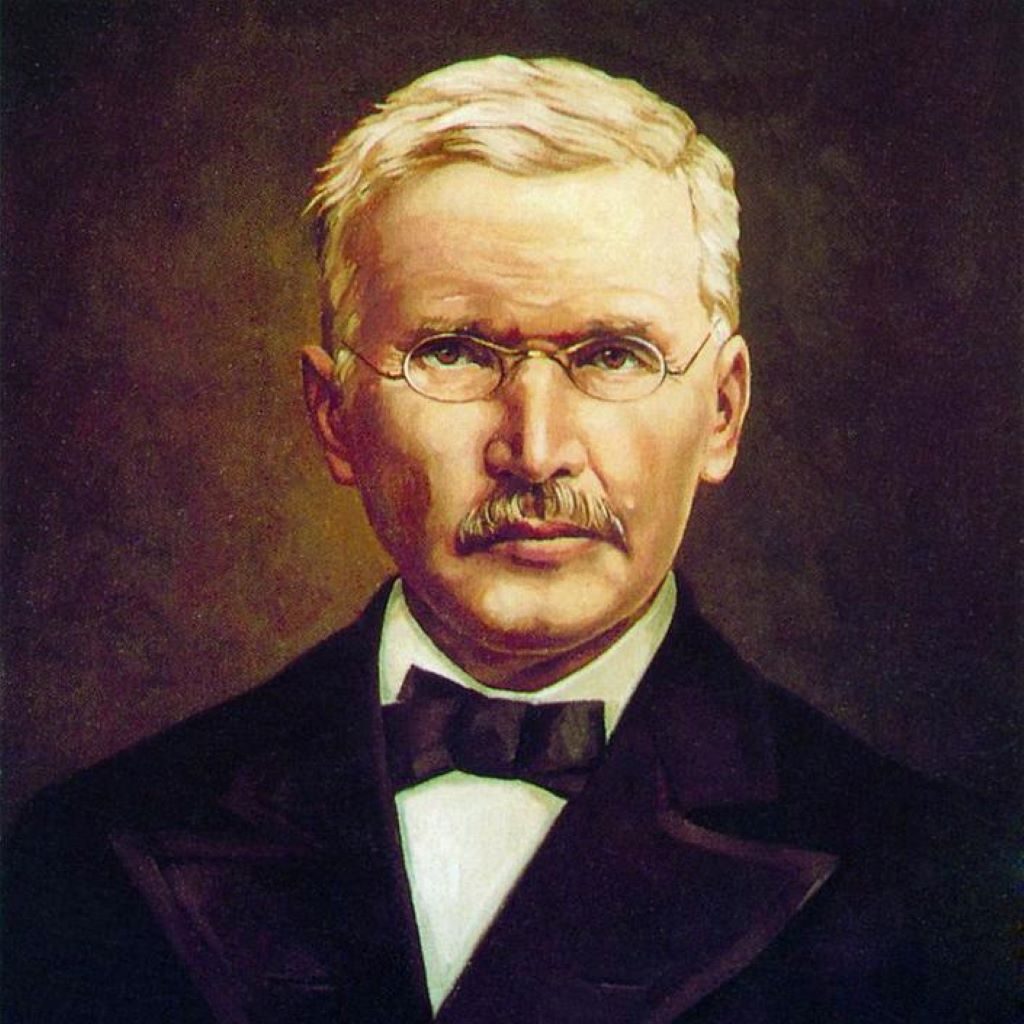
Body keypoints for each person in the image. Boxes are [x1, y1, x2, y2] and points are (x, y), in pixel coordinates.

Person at [3, 56, 1014, 1024]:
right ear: (334, 416)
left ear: (721, 412)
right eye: (453, 352)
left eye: (613, 356)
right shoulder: (87, 855)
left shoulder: (941, 884)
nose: (534, 451)